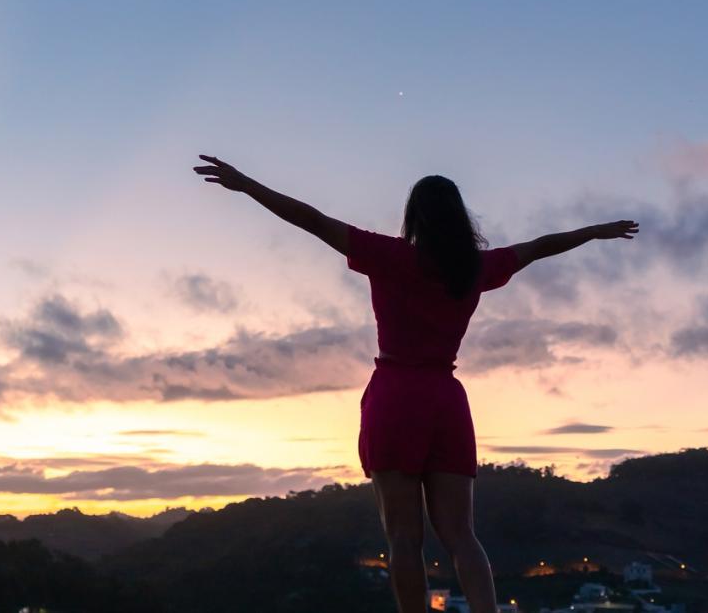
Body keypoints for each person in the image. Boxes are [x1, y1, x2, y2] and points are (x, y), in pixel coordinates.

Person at [193, 154, 638, 613]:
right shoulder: (475, 269)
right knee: (462, 535)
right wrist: (592, 232)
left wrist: (247, 185)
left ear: (414, 216)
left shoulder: (388, 256)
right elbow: (539, 246)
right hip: (445, 401)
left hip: (396, 397)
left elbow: (311, 219)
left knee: (404, 538)